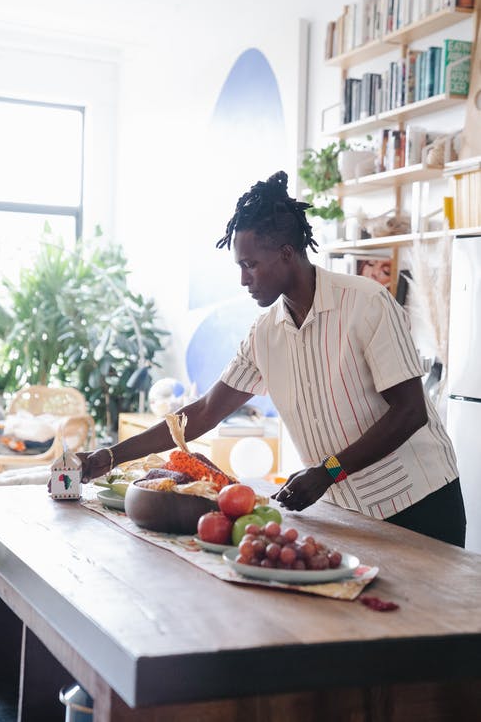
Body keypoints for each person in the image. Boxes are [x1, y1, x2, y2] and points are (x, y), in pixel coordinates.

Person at [79, 171, 466, 547]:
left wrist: (328, 472)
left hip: (420, 503)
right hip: (347, 513)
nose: (244, 280)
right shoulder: (265, 333)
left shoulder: (366, 303)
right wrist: (111, 455)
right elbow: (205, 411)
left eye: (250, 265)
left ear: (285, 254)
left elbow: (411, 411)